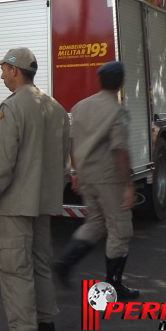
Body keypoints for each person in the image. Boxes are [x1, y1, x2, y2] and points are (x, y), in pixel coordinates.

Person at [0, 47, 69, 331]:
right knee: (40, 266)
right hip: (44, 204)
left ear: (15, 70)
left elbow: (2, 164)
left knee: (16, 271)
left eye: (3, 68)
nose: (1, 74)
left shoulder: (12, 107)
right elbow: (63, 163)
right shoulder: (55, 107)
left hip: (17, 204)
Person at [53, 61, 140, 302]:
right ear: (121, 83)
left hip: (87, 176)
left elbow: (73, 141)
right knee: (120, 229)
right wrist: (128, 185)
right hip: (109, 178)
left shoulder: (80, 107)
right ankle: (114, 285)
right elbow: (120, 150)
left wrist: (76, 173)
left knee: (95, 223)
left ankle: (66, 261)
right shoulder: (118, 111)